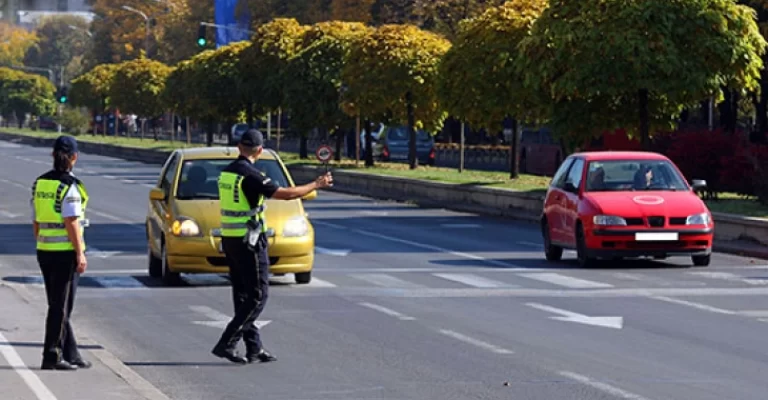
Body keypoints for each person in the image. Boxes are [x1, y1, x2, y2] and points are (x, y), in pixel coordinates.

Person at [211, 129, 333, 364]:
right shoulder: (251, 175)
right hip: (249, 241)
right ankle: (227, 341)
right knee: (258, 295)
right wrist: (316, 184)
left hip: (230, 239)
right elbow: (285, 194)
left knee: (243, 294)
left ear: (239, 147)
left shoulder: (227, 173)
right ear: (259, 150)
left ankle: (254, 347)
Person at [31, 135, 90, 371]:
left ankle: (71, 352)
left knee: (57, 304)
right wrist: (80, 253)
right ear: (74, 157)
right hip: (65, 252)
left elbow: (35, 220)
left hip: (44, 250)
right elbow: (71, 221)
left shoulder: (40, 183)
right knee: (61, 306)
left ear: (52, 155)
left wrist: (42, 242)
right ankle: (51, 356)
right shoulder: (70, 186)